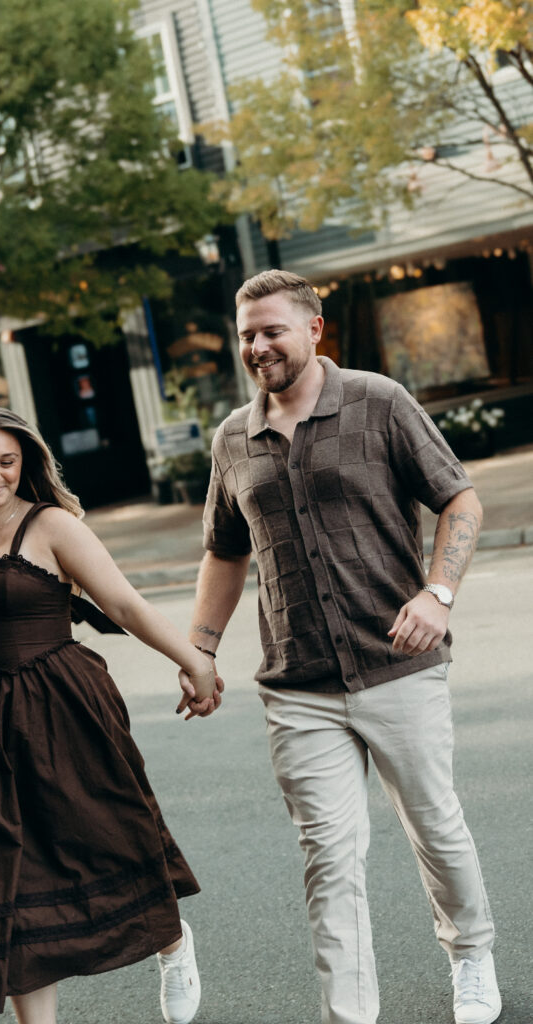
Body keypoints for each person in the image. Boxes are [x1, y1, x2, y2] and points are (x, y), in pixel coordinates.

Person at [177, 270, 501, 1024]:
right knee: (328, 859)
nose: (257, 346)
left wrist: (436, 592)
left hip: (396, 665)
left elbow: (460, 498)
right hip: (298, 682)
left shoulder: (378, 402)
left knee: (433, 823)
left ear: (312, 329)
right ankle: (349, 1013)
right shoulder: (233, 438)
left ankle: (470, 955)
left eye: (271, 330)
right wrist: (200, 649)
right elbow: (224, 553)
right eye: (246, 333)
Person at [0, 406, 218, 1024]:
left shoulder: (52, 526)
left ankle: (172, 942)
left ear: (25, 462)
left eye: (8, 461)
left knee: (106, 833)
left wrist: (194, 661)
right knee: (6, 865)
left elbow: (123, 603)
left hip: (61, 704)